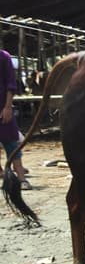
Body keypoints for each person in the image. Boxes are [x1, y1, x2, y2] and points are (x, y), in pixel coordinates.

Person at [1, 47, 30, 191]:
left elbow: (10, 84)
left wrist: (7, 107)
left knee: (12, 142)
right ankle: (3, 174)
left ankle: (21, 178)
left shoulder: (3, 57)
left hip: (2, 107)